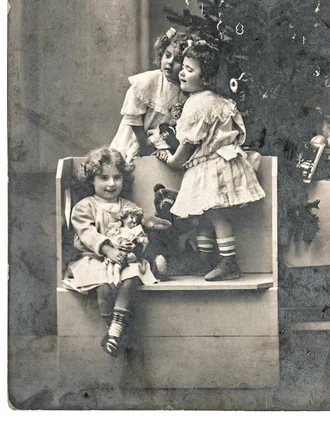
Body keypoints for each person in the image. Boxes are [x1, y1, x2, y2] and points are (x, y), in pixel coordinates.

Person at [157, 40, 265, 282]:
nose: (182, 72)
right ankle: (205, 259)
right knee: (205, 214)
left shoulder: (198, 105)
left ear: (205, 78)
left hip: (213, 165)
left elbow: (189, 144)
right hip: (212, 163)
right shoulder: (214, 100)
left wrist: (172, 161)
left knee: (216, 215)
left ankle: (228, 262)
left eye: (189, 69)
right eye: (182, 67)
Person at [63, 147, 158, 358]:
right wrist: (107, 249)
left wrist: (134, 246)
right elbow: (86, 233)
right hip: (94, 257)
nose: (111, 184)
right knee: (102, 284)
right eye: (104, 178)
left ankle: (115, 332)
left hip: (123, 259)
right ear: (91, 181)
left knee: (132, 276)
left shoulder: (129, 207)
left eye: (117, 177)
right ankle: (114, 331)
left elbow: (138, 232)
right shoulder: (84, 206)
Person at [110, 27, 197, 163]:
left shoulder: (188, 88)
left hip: (166, 141)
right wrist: (143, 142)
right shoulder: (149, 81)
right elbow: (133, 114)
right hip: (139, 136)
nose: (170, 62)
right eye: (167, 56)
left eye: (178, 60)